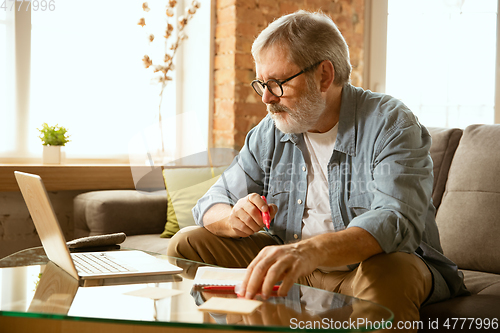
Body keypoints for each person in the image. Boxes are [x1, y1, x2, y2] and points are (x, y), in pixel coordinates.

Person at [167, 10, 468, 330]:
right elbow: (211, 202)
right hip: (294, 265)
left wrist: (307, 252)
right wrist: (233, 217)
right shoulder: (271, 131)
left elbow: (394, 220)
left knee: (388, 273)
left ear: (324, 75)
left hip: (363, 271)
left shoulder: (390, 123)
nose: (266, 98)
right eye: (261, 84)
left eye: (277, 83)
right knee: (188, 243)